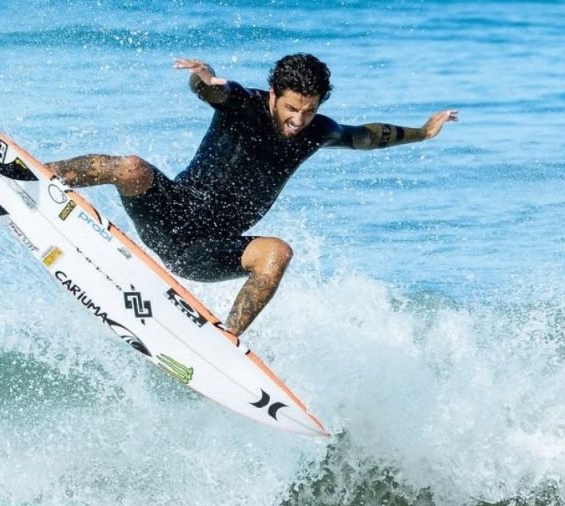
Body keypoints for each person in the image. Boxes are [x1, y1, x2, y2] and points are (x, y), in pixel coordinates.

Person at [46, 54, 457, 337]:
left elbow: (365, 136)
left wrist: (422, 132)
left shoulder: (318, 131)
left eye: (309, 110)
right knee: (132, 167)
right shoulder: (242, 104)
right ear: (274, 94)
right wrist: (202, 77)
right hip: (169, 215)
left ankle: (225, 341)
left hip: (209, 250)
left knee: (277, 253)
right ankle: (41, 176)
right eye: (292, 107)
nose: (298, 120)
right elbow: (210, 90)